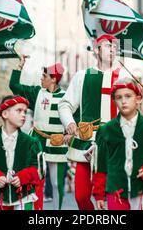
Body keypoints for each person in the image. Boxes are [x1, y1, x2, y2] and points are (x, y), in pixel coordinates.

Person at [59, 34, 129, 210]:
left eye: (114, 46)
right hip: (86, 143)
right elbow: (65, 104)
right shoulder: (82, 76)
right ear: (97, 50)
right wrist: (69, 123)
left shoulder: (125, 77)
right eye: (107, 45)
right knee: (81, 196)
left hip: (115, 145)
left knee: (114, 196)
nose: (112, 48)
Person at [92, 78, 143, 210]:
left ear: (138, 99)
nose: (123, 101)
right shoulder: (106, 130)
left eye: (128, 96)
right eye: (118, 97)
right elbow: (100, 164)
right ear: (114, 101)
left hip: (141, 189)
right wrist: (99, 194)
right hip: (115, 191)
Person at [9, 58, 67, 209]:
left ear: (53, 79)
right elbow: (14, 86)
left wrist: (69, 136)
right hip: (37, 142)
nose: (41, 78)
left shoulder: (67, 97)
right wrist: (19, 67)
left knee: (56, 183)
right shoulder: (37, 92)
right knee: (32, 179)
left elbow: (75, 119)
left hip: (58, 143)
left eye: (44, 76)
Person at [0, 95, 44, 210]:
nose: (23, 114)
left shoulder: (32, 142)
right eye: (19, 110)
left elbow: (39, 170)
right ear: (5, 114)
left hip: (25, 194)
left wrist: (23, 177)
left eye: (25, 111)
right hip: (1, 195)